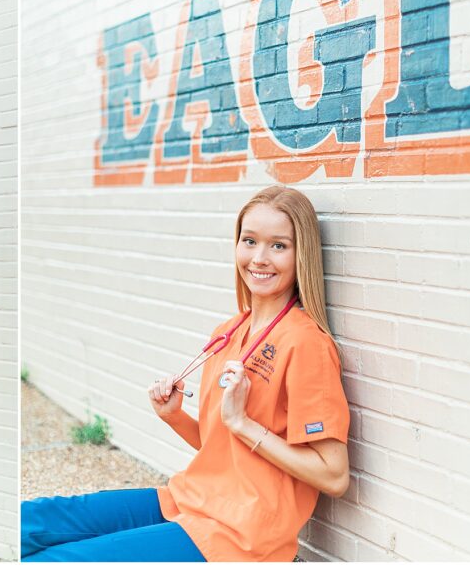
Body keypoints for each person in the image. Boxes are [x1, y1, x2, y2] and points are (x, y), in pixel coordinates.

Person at [21, 185, 350, 561]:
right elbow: (224, 448)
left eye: (279, 246)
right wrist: (174, 416)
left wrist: (244, 423)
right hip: (189, 500)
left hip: (238, 535)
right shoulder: (228, 333)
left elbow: (334, 475)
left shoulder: (306, 343)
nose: (259, 258)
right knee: (31, 521)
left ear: (301, 254)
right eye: (249, 241)